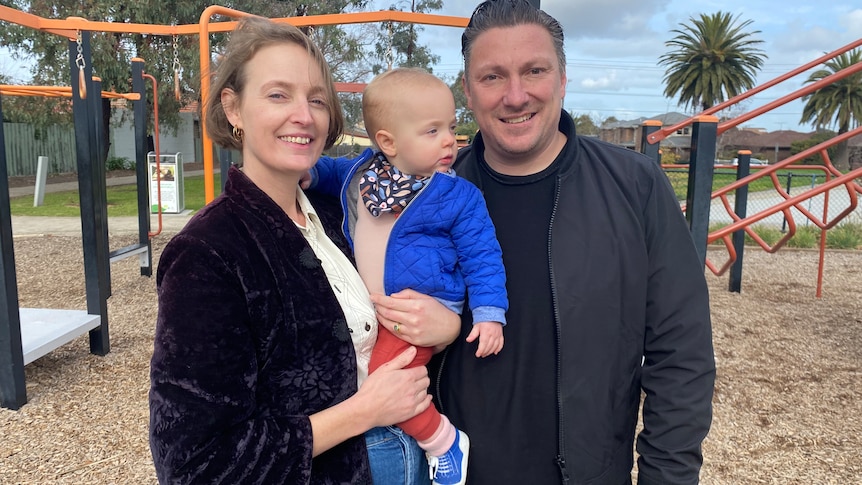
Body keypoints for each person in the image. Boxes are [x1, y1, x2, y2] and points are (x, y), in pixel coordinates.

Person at [149, 17, 459, 484]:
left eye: (317, 99)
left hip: (411, 455)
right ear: (233, 109)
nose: (304, 115)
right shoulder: (208, 253)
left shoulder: (338, 213)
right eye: (278, 95)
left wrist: (448, 327)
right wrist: (362, 412)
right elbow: (195, 463)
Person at [428, 1, 717, 484]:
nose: (516, 96)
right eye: (493, 76)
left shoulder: (635, 186)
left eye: (534, 71)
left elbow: (681, 353)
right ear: (468, 91)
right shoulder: (430, 198)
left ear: (562, 79)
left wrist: (667, 476)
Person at [310, 67, 508, 485]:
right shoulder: (364, 177)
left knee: (385, 379)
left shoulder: (457, 195)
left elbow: (483, 256)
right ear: (387, 142)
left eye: (452, 127)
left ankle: (442, 441)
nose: (449, 140)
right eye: (432, 130)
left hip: (421, 309)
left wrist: (490, 312)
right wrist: (307, 173)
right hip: (375, 309)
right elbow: (329, 171)